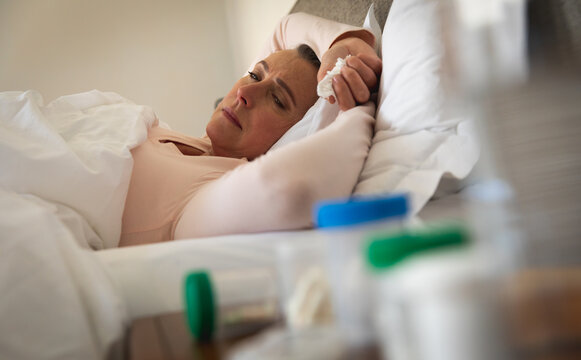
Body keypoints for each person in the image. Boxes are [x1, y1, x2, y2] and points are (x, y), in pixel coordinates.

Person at [119, 12, 382, 246]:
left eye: (277, 100)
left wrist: (358, 107)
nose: (244, 91)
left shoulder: (200, 200)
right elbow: (284, 29)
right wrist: (342, 46)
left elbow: (289, 190)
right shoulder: (199, 146)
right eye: (255, 75)